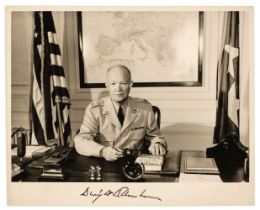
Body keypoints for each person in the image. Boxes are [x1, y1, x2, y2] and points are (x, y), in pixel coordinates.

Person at [74, 65, 167, 161]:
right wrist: (102, 151)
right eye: (113, 83)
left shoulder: (144, 108)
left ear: (130, 84)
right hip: (104, 164)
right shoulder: (95, 109)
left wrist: (157, 144)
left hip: (134, 164)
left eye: (123, 83)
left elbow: (155, 136)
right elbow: (81, 141)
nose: (118, 89)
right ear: (107, 85)